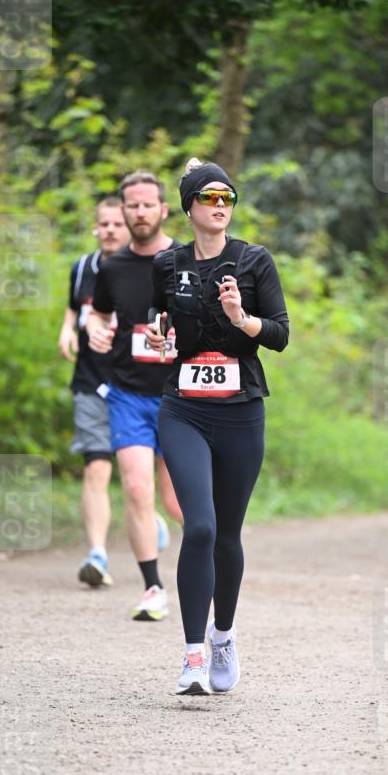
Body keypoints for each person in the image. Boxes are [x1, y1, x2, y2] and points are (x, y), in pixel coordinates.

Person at [146, 158, 289, 694]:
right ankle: (191, 659)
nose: (220, 207)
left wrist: (240, 319)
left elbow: (277, 333)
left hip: (241, 409)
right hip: (184, 406)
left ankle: (222, 636)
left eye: (227, 199)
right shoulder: (167, 264)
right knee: (199, 527)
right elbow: (159, 320)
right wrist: (161, 341)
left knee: (226, 534)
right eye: (209, 198)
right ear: (189, 207)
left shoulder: (254, 262)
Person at [87, 171, 182, 621]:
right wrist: (95, 332)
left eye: (148, 204)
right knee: (137, 488)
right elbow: (98, 314)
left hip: (180, 395)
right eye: (132, 205)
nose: (140, 212)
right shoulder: (112, 267)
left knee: (177, 503)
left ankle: (217, 565)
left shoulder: (187, 260)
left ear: (163, 209)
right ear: (122, 212)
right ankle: (153, 587)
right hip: (128, 394)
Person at [58, 196, 129, 588]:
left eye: (117, 224)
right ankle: (97, 555)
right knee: (97, 466)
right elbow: (75, 307)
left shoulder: (145, 269)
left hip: (136, 384)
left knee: (142, 477)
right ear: (95, 228)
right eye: (104, 224)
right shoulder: (83, 267)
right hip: (90, 381)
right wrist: (67, 329)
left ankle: (148, 522)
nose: (110, 231)